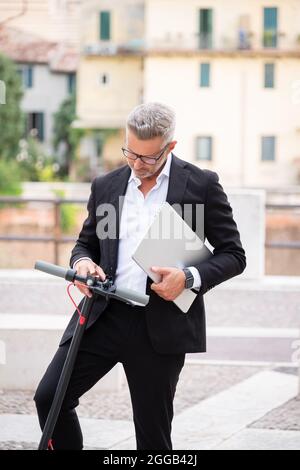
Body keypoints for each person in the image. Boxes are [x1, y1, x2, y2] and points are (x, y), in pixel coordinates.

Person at [34, 102, 246, 450]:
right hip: (102, 317)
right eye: (130, 152)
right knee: (49, 399)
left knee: (153, 439)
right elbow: (85, 245)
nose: (136, 164)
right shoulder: (106, 185)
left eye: (147, 158)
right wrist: (84, 264)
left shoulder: (201, 185)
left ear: (170, 147)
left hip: (159, 327)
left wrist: (188, 277)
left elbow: (234, 255)